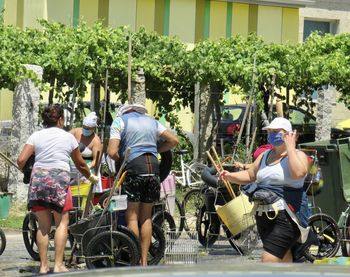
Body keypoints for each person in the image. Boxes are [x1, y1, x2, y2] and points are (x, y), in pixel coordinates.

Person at [17, 104, 98, 274]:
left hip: (38, 180)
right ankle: (59, 264)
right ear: (60, 120)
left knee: (43, 225)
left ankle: (43, 266)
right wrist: (90, 176)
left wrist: (28, 169)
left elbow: (21, 159)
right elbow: (80, 163)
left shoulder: (36, 135)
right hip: (59, 179)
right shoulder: (67, 137)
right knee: (62, 222)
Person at [220, 117, 311, 263]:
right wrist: (230, 176)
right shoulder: (265, 155)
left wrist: (291, 147)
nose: (272, 134)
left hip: (287, 217)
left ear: (288, 134)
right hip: (263, 216)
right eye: (270, 131)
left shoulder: (298, 155)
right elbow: (250, 175)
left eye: (276, 131)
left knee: (268, 259)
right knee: (283, 257)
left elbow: (298, 174)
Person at [107, 103, 179, 266]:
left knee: (132, 217)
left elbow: (112, 152)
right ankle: (145, 261)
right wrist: (156, 149)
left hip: (134, 169)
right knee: (146, 217)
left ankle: (134, 258)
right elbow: (174, 140)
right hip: (154, 170)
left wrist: (123, 160)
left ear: (125, 111)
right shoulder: (152, 122)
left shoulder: (120, 121)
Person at [69, 112, 103, 198]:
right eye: (84, 127)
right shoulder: (75, 132)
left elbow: (96, 160)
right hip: (71, 168)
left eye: (88, 128)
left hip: (87, 170)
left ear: (93, 128)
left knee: (85, 196)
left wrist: (86, 168)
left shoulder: (96, 141)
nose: (86, 129)